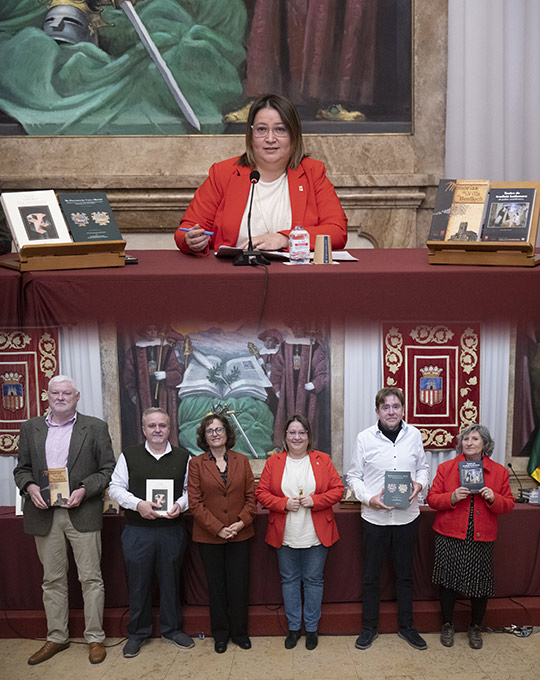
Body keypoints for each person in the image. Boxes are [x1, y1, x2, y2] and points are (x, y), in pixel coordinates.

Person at [13, 375, 115, 666]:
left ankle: (95, 637)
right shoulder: (30, 428)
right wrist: (30, 487)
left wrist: (85, 489)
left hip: (81, 511)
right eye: (55, 393)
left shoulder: (95, 427)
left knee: (91, 578)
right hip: (44, 513)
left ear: (77, 396)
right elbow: (22, 469)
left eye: (66, 393)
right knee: (52, 579)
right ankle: (57, 637)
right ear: (47, 396)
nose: (60, 397)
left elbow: (108, 469)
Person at [175, 93, 347, 256]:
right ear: (251, 135)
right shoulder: (223, 173)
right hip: (233, 275)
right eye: (261, 129)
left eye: (280, 129)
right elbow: (187, 229)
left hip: (294, 276)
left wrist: (285, 238)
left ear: (294, 135)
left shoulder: (312, 173)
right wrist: (190, 240)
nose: (270, 138)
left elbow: (337, 232)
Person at [346, 387, 429, 651]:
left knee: (405, 576)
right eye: (386, 407)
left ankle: (407, 628)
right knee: (371, 577)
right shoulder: (364, 438)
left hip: (407, 518)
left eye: (396, 406)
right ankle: (369, 628)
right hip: (374, 518)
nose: (391, 411)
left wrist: (419, 486)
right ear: (377, 411)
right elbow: (353, 477)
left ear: (403, 409)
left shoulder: (414, 435)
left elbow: (424, 468)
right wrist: (370, 499)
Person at [108, 407, 194, 658]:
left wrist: (182, 504)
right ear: (143, 429)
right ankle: (137, 633)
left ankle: (172, 629)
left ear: (170, 429)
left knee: (171, 582)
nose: (157, 430)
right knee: (138, 584)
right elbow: (115, 487)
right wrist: (138, 505)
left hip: (171, 530)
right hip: (138, 531)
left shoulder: (183, 456)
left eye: (162, 426)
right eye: (152, 426)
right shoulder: (129, 455)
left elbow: (191, 490)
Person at [256, 414, 343, 650]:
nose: (297, 437)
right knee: (290, 580)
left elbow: (338, 490)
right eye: (292, 432)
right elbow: (261, 493)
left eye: (301, 432)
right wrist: (283, 504)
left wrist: (316, 500)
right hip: (285, 534)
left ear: (308, 436)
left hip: (316, 534)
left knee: (314, 581)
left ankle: (312, 628)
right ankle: (294, 628)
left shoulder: (322, 460)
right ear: (285, 436)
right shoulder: (273, 462)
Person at [426, 424, 515, 650]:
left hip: (481, 536)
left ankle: (475, 627)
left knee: (480, 585)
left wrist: (494, 497)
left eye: (475, 439)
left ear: (485, 444)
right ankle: (447, 625)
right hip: (450, 534)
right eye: (466, 439)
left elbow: (508, 505)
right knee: (448, 582)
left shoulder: (499, 472)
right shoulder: (447, 468)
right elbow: (432, 498)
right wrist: (452, 497)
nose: (469, 442)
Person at [188, 413, 256, 653]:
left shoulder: (242, 460)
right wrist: (218, 529)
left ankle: (240, 632)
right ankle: (220, 634)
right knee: (216, 588)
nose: (215, 434)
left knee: (239, 586)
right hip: (209, 536)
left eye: (219, 429)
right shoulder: (196, 464)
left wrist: (239, 524)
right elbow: (195, 503)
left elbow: (251, 498)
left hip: (240, 533)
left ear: (227, 433)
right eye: (210, 430)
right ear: (204, 437)